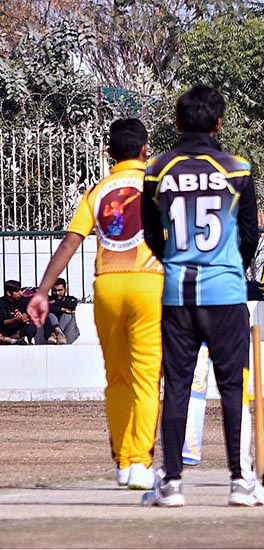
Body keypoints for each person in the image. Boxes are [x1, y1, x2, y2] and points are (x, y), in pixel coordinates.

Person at [141, 84, 264, 507]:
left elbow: (151, 233)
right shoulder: (236, 168)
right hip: (225, 292)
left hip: (176, 295)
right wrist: (230, 268)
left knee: (178, 386)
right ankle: (241, 482)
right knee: (232, 387)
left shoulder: (157, 169)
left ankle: (171, 483)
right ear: (218, 122)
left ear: (179, 121)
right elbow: (250, 235)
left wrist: (175, 260)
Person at [27, 118, 163, 490]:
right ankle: (140, 463)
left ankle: (122, 462)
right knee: (146, 378)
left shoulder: (98, 191)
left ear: (108, 153)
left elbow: (70, 242)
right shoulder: (156, 184)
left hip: (106, 288)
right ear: (145, 149)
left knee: (116, 378)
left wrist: (41, 292)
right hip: (149, 283)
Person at [35, 277, 81, 345]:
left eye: (60, 290)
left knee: (67, 314)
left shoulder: (70, 299)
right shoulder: (47, 299)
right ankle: (58, 333)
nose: (57, 293)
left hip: (68, 335)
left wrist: (55, 302)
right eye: (54, 290)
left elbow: (72, 305)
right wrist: (62, 309)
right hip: (51, 337)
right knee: (50, 313)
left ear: (66, 290)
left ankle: (57, 333)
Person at [0, 280, 36, 345]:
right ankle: (14, 341)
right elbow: (2, 322)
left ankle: (7, 340)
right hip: (4, 330)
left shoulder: (23, 300)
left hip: (17, 331)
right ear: (9, 293)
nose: (20, 293)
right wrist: (15, 319)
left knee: (31, 328)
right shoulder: (1, 303)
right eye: (17, 291)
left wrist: (25, 316)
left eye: (20, 290)